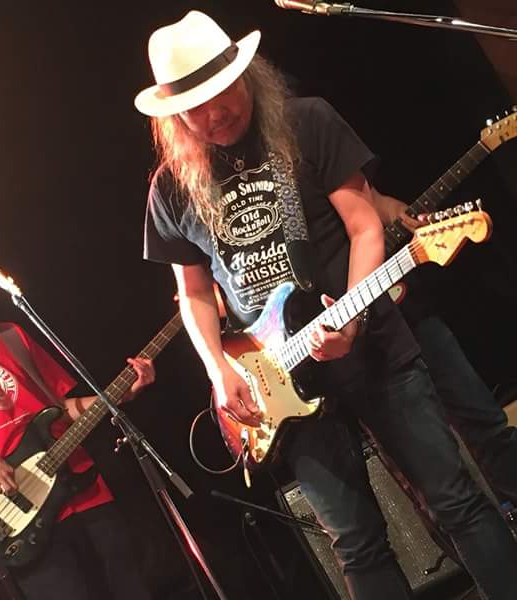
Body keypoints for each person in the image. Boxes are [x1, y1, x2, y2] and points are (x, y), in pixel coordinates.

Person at [136, 10, 517, 600]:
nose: (214, 115)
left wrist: (353, 318)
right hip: (278, 382)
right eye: (195, 109)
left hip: (375, 350)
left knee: (455, 500)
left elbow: (365, 226)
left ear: (245, 75)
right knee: (356, 544)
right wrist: (218, 368)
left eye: (221, 95)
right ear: (174, 117)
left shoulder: (307, 121)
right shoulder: (170, 187)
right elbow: (193, 293)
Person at [0, 233, 154, 600]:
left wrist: (122, 394)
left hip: (83, 490)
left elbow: (62, 409)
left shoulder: (11, 335)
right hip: (21, 519)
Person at [371, 189, 517, 505]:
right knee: (441, 481)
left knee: (487, 424)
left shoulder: (316, 161)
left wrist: (400, 213)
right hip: (365, 353)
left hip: (409, 315)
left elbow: (375, 201)